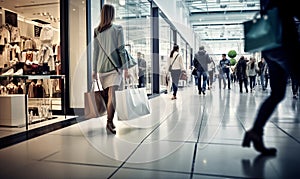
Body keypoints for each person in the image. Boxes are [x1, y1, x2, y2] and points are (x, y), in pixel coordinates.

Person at [242, 0, 300, 155]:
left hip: (269, 47)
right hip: (285, 42)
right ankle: (255, 131)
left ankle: (256, 131)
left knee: (277, 93)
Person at [92, 4, 128, 134]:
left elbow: (95, 52)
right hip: (114, 68)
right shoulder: (118, 28)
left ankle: (109, 120)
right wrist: (126, 67)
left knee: (109, 97)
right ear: (112, 14)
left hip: (101, 69)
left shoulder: (97, 30)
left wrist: (94, 70)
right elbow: (121, 50)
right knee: (112, 96)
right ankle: (109, 122)